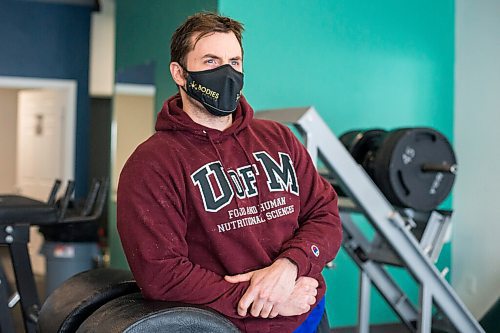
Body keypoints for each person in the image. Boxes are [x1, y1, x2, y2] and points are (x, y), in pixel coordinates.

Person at [117, 12, 342, 333]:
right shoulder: (151, 164)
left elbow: (324, 215)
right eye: (211, 61)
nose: (227, 72)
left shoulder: (279, 138)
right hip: (230, 325)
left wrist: (289, 265)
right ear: (179, 73)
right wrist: (266, 298)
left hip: (307, 313)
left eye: (234, 61)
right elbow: (161, 274)